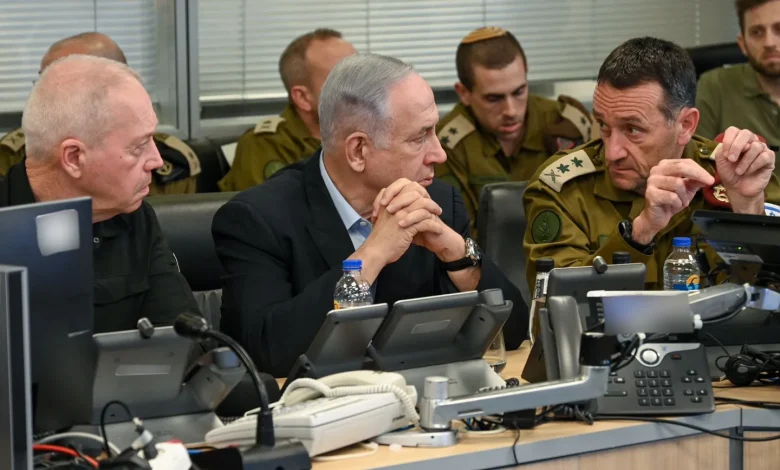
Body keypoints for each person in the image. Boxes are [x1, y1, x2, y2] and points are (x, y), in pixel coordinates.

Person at [212, 54, 528, 377]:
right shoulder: (257, 220)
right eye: (419, 138)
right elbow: (260, 356)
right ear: (358, 151)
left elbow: (514, 333)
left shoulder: (437, 200)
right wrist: (372, 255)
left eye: (434, 131)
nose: (439, 154)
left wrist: (457, 254)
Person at [523, 37, 780, 292]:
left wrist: (748, 212)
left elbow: (770, 301)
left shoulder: (736, 174)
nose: (612, 152)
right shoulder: (563, 188)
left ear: (685, 125)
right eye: (603, 125)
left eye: (633, 129)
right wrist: (639, 233)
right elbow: (554, 303)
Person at [0, 55, 199, 333]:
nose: (156, 160)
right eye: (138, 146)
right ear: (74, 157)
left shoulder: (133, 216)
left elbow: (186, 339)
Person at [435, 27, 596, 235]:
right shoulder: (446, 145)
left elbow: (590, 217)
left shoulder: (567, 124)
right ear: (464, 93)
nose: (511, 111)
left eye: (519, 92)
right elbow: (457, 234)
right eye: (494, 98)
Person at [0, 32, 201, 195]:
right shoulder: (13, 155)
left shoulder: (168, 164)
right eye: (42, 81)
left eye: (64, 84)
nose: (46, 93)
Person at [218, 29, 357, 191]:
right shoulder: (267, 145)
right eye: (344, 79)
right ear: (303, 98)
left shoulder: (372, 133)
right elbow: (274, 206)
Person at [696, 0, 780, 155]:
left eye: (779, 29)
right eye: (757, 32)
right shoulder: (715, 86)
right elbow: (698, 157)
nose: (769, 43)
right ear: (742, 44)